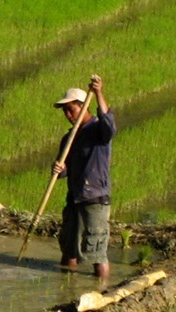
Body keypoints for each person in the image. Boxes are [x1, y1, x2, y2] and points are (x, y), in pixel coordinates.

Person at [52, 75, 116, 278]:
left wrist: (98, 93)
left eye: (71, 109)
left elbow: (109, 125)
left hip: (95, 198)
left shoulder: (98, 130)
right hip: (74, 197)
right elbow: (65, 169)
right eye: (65, 111)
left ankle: (102, 293)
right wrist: (58, 169)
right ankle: (66, 288)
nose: (68, 114)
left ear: (82, 107)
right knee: (69, 248)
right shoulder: (69, 138)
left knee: (97, 251)